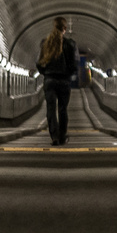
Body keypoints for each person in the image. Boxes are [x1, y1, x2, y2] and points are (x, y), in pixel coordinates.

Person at [36, 17, 79, 145]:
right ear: (64, 29)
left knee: (50, 109)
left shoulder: (45, 43)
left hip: (50, 80)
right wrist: (68, 74)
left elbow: (39, 63)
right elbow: (74, 65)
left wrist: (46, 73)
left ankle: (54, 136)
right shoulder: (70, 44)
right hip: (64, 81)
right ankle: (62, 136)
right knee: (62, 109)